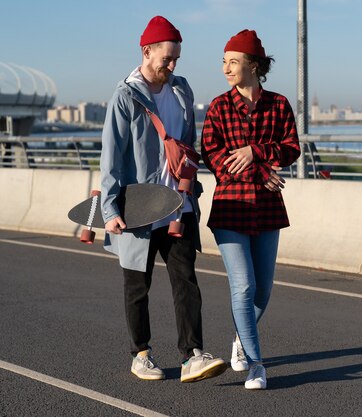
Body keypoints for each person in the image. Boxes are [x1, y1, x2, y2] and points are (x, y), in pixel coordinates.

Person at [100, 15, 227, 383]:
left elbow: (187, 145)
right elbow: (111, 157)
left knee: (186, 279)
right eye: (166, 59)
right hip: (138, 207)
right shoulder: (125, 96)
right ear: (147, 51)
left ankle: (193, 356)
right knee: (137, 285)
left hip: (177, 204)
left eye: (176, 60)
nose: (171, 66)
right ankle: (141, 354)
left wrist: (189, 186)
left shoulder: (181, 90)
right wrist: (110, 209)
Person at [201, 29, 301, 390]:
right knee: (242, 286)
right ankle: (256, 364)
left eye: (233, 61)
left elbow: (291, 148)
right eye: (224, 61)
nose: (225, 67)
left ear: (253, 65)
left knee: (262, 291)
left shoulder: (279, 104)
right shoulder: (218, 106)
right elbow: (214, 157)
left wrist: (255, 151)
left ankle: (241, 340)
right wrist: (259, 168)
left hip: (267, 207)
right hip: (230, 208)